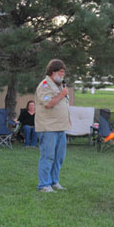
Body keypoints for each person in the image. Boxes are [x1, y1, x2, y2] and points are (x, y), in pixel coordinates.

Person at [35, 59, 71, 193]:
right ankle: (44, 185)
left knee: (59, 157)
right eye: (61, 72)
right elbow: (49, 103)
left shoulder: (59, 86)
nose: (63, 74)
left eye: (64, 72)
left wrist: (68, 120)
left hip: (61, 127)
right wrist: (62, 95)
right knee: (48, 156)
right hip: (48, 127)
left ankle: (54, 181)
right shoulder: (45, 86)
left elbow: (63, 105)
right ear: (53, 71)